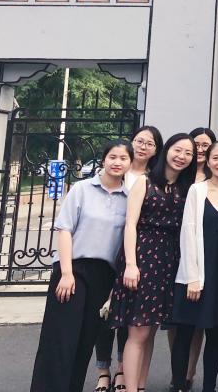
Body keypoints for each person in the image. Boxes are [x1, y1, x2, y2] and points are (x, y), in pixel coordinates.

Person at [30, 140, 133, 392]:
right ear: (104, 159)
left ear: (130, 163)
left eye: (123, 158)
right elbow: (65, 229)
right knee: (60, 337)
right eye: (113, 157)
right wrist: (66, 273)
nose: (117, 162)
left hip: (104, 275)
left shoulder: (129, 199)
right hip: (73, 269)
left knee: (86, 339)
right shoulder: (82, 189)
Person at [108, 132, 196, 392]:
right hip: (144, 258)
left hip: (170, 261)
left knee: (150, 330)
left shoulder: (186, 189)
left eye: (188, 153)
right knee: (138, 330)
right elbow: (130, 225)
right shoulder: (145, 182)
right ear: (166, 150)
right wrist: (131, 264)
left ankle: (141, 386)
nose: (181, 156)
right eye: (177, 150)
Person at [94, 126, 162, 392]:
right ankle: (103, 370)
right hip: (107, 247)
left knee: (129, 315)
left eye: (150, 143)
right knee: (103, 313)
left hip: (135, 252)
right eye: (139, 141)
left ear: (157, 150)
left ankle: (123, 370)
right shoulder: (116, 172)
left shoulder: (153, 179)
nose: (143, 147)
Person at [170, 141, 218, 392]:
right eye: (216, 158)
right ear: (207, 161)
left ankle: (209, 386)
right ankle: (179, 385)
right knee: (185, 332)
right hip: (197, 273)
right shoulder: (197, 190)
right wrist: (192, 277)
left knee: (216, 335)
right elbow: (188, 233)